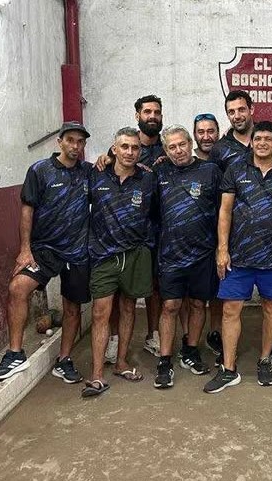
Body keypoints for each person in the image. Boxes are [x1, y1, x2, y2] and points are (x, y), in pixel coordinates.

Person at [0, 122, 91, 383]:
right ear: (60, 142)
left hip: (77, 251)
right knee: (17, 288)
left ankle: (64, 360)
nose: (75, 146)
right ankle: (15, 354)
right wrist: (25, 250)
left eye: (80, 141)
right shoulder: (40, 170)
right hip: (44, 249)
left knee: (72, 307)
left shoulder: (88, 172)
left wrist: (108, 157)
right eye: (70, 140)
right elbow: (27, 211)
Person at [203, 121, 272, 393]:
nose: (262, 143)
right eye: (257, 139)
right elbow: (225, 211)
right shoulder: (236, 169)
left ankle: (265, 360)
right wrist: (222, 249)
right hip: (239, 257)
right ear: (252, 142)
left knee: (271, 309)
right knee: (230, 309)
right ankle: (229, 369)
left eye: (268, 139)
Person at [82, 127, 156, 397]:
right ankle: (97, 374)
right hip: (103, 255)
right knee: (100, 312)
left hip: (135, 254)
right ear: (114, 149)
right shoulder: (96, 175)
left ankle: (121, 362)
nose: (130, 152)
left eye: (135, 148)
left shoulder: (148, 179)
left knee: (128, 308)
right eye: (124, 147)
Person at [151, 125, 222, 388]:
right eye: (172, 147)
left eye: (182, 144)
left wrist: (221, 247)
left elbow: (223, 211)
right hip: (171, 254)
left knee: (198, 304)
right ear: (165, 150)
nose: (178, 150)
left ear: (191, 143)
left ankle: (191, 350)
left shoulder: (210, 171)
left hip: (203, 253)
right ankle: (165, 360)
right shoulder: (159, 172)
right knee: (170, 306)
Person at [98, 95, 165, 364]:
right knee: (118, 293)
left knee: (155, 286)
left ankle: (154, 334)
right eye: (147, 112)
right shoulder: (123, 147)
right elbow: (107, 168)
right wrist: (103, 159)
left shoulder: (167, 147)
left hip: (155, 229)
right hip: (121, 234)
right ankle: (114, 338)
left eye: (157, 112)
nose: (152, 116)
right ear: (138, 116)